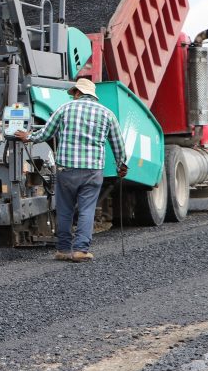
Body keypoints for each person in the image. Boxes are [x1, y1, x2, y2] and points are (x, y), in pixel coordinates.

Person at [16, 78, 127, 263]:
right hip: (92, 171)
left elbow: (46, 133)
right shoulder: (107, 114)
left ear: (77, 93)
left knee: (65, 209)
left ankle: (63, 249)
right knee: (87, 210)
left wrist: (28, 137)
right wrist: (121, 166)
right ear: (92, 95)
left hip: (66, 170)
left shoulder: (65, 109)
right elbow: (118, 144)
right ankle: (81, 250)